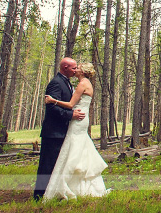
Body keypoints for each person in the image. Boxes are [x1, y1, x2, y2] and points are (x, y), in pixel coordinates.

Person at [42, 62, 109, 200]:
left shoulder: (82, 83)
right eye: (75, 67)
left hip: (78, 120)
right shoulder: (85, 83)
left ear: (83, 72)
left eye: (77, 68)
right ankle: (79, 185)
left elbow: (71, 104)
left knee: (74, 148)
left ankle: (68, 184)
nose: (76, 70)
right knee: (79, 148)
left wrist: (53, 100)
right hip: (80, 120)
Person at [33, 57, 86, 201]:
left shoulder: (66, 82)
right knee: (47, 165)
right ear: (65, 68)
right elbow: (51, 108)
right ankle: (39, 195)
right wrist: (71, 115)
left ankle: (52, 193)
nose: (75, 71)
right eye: (73, 68)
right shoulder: (56, 83)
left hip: (62, 131)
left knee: (57, 165)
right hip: (53, 132)